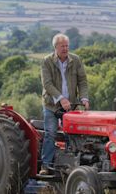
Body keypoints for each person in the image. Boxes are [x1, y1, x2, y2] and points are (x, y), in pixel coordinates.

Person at [39, 33, 89, 175]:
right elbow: (47, 84)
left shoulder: (76, 60)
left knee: (72, 135)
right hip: (52, 105)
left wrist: (84, 98)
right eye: (62, 46)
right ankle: (46, 166)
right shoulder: (46, 61)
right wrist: (61, 98)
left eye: (67, 45)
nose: (65, 49)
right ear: (55, 47)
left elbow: (82, 81)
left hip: (71, 105)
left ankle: (70, 166)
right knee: (51, 133)